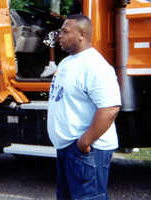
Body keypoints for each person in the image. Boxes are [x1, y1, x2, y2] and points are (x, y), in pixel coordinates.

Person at [47, 15, 121, 200]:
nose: (59, 36)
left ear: (82, 34)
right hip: (67, 148)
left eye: (65, 31)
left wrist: (84, 142)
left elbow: (110, 108)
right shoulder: (67, 62)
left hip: (86, 151)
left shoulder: (95, 65)